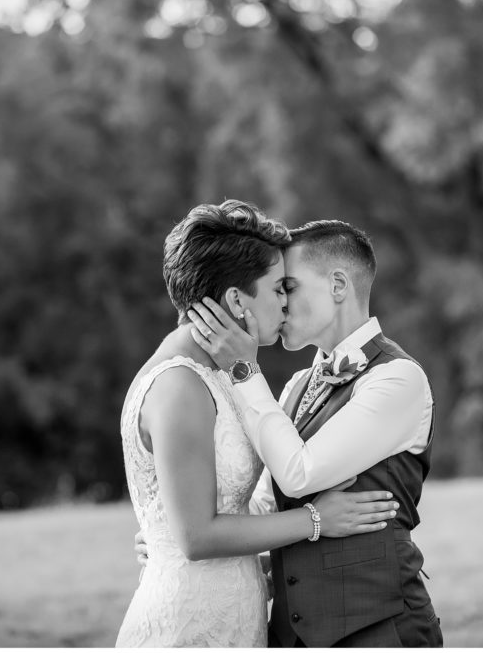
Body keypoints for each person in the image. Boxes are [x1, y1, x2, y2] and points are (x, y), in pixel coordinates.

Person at [115, 202, 399, 648]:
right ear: (235, 300)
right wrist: (316, 520)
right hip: (191, 624)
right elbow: (196, 536)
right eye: (277, 289)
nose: (286, 302)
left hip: (235, 612)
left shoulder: (222, 374)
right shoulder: (179, 385)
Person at [185, 219, 443, 647]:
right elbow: (267, 505)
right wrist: (184, 531)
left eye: (289, 286)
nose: (281, 303)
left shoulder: (398, 379)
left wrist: (244, 369)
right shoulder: (295, 387)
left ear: (338, 286)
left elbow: (300, 474)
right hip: (291, 634)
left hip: (379, 630)